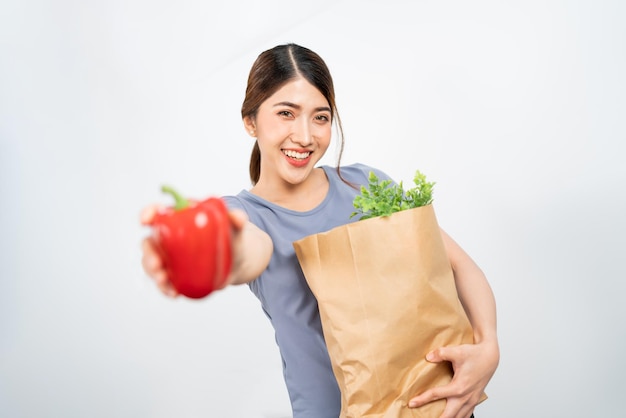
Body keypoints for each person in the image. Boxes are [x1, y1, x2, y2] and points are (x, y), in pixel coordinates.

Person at [141, 43, 499, 418]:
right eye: (286, 114)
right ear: (250, 121)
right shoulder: (245, 215)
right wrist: (205, 249)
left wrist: (488, 346)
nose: (305, 136)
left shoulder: (365, 184)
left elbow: (458, 266)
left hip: (435, 407)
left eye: (320, 117)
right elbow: (246, 250)